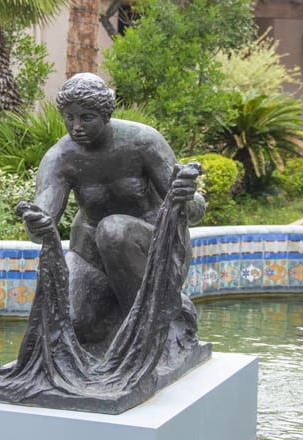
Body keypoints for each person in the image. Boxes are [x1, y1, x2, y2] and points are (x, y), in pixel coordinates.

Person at [23, 72, 203, 344]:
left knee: (113, 229)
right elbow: (42, 222)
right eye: (69, 117)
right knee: (70, 325)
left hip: (150, 249)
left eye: (86, 117)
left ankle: (148, 327)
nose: (76, 127)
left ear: (105, 114)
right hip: (91, 254)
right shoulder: (60, 157)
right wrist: (36, 222)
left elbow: (192, 213)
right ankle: (120, 322)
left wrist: (187, 195)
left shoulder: (142, 141)